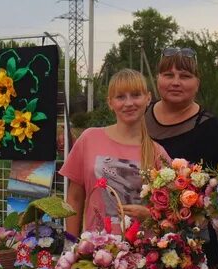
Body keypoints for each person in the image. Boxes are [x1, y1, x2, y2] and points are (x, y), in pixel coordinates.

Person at [145, 47, 218, 265]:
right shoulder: (138, 120)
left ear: (197, 82)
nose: (176, 82)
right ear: (158, 78)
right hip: (142, 242)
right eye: (168, 75)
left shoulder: (213, 129)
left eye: (185, 76)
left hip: (197, 249)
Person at [61, 69, 169, 236]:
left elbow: (170, 210)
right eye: (120, 97)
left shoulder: (157, 152)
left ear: (148, 98)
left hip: (142, 255)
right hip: (95, 253)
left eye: (135, 95)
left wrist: (149, 216)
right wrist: (70, 243)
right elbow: (74, 197)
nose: (128, 103)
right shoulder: (89, 139)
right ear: (110, 102)